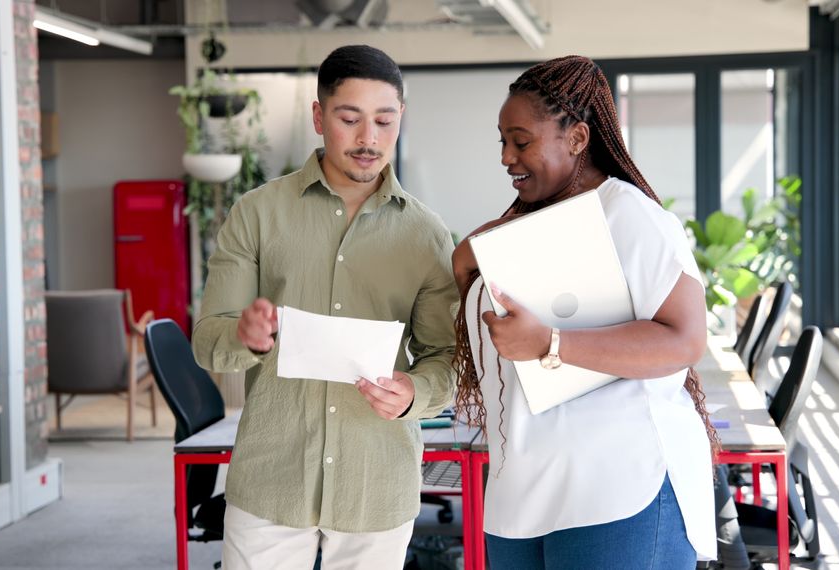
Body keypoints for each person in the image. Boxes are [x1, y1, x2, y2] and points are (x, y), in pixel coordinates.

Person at [192, 45, 458, 570]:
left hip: (377, 481)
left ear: (400, 118)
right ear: (319, 117)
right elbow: (207, 343)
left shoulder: (427, 235)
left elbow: (445, 358)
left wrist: (414, 392)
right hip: (272, 481)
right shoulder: (256, 214)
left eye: (384, 120)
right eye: (349, 119)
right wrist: (245, 337)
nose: (369, 139)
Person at [451, 55, 718, 568]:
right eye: (502, 141)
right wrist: (470, 259)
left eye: (521, 141)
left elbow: (684, 341)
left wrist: (551, 343)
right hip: (521, 494)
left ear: (576, 138)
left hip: (618, 491)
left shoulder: (630, 215)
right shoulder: (523, 225)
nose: (506, 157)